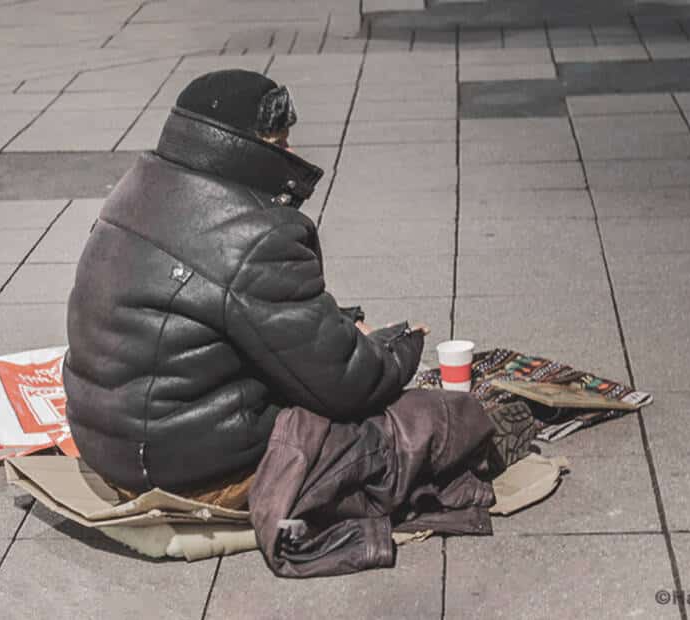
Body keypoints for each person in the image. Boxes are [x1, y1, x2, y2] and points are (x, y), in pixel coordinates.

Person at [63, 70, 428, 506]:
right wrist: (399, 345)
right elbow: (347, 383)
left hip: (107, 444)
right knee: (429, 426)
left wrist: (339, 324)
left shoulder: (134, 189)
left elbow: (248, 312)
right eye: (279, 143)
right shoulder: (255, 232)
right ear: (242, 147)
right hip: (186, 470)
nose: (291, 152)